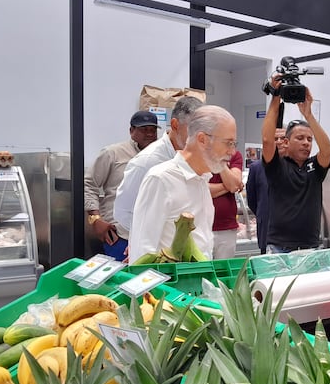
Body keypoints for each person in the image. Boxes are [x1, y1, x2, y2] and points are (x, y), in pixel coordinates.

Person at [127, 105, 237, 263]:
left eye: (234, 144)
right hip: (166, 286)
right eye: (228, 143)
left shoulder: (202, 180)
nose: (232, 152)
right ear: (202, 140)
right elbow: (142, 252)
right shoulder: (161, 179)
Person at [261, 80, 330, 253]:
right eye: (300, 138)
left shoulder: (315, 167)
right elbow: (267, 140)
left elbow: (327, 150)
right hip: (279, 247)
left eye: (309, 139)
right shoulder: (277, 165)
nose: (306, 143)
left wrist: (308, 115)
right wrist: (275, 97)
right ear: (286, 141)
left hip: (310, 246)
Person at [113, 97, 203, 232]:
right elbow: (123, 212)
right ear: (175, 125)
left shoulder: (194, 157)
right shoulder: (146, 162)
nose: (198, 137)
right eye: (192, 130)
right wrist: (153, 237)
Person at [84, 110, 159, 260]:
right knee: (121, 280)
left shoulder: (161, 157)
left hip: (150, 236)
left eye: (153, 130)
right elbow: (89, 185)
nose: (149, 134)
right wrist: (95, 219)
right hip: (118, 235)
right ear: (131, 131)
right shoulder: (113, 153)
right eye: (144, 129)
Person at [245, 129, 286, 254]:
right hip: (267, 231)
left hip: (292, 235)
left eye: (282, 138)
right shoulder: (256, 168)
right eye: (275, 139)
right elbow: (252, 199)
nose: (278, 142)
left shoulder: (295, 166)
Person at [210, 148, 244, 259]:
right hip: (200, 226)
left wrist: (220, 161)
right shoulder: (200, 154)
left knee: (223, 271)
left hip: (226, 228)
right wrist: (230, 186)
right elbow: (202, 189)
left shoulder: (235, 155)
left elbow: (234, 185)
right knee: (202, 270)